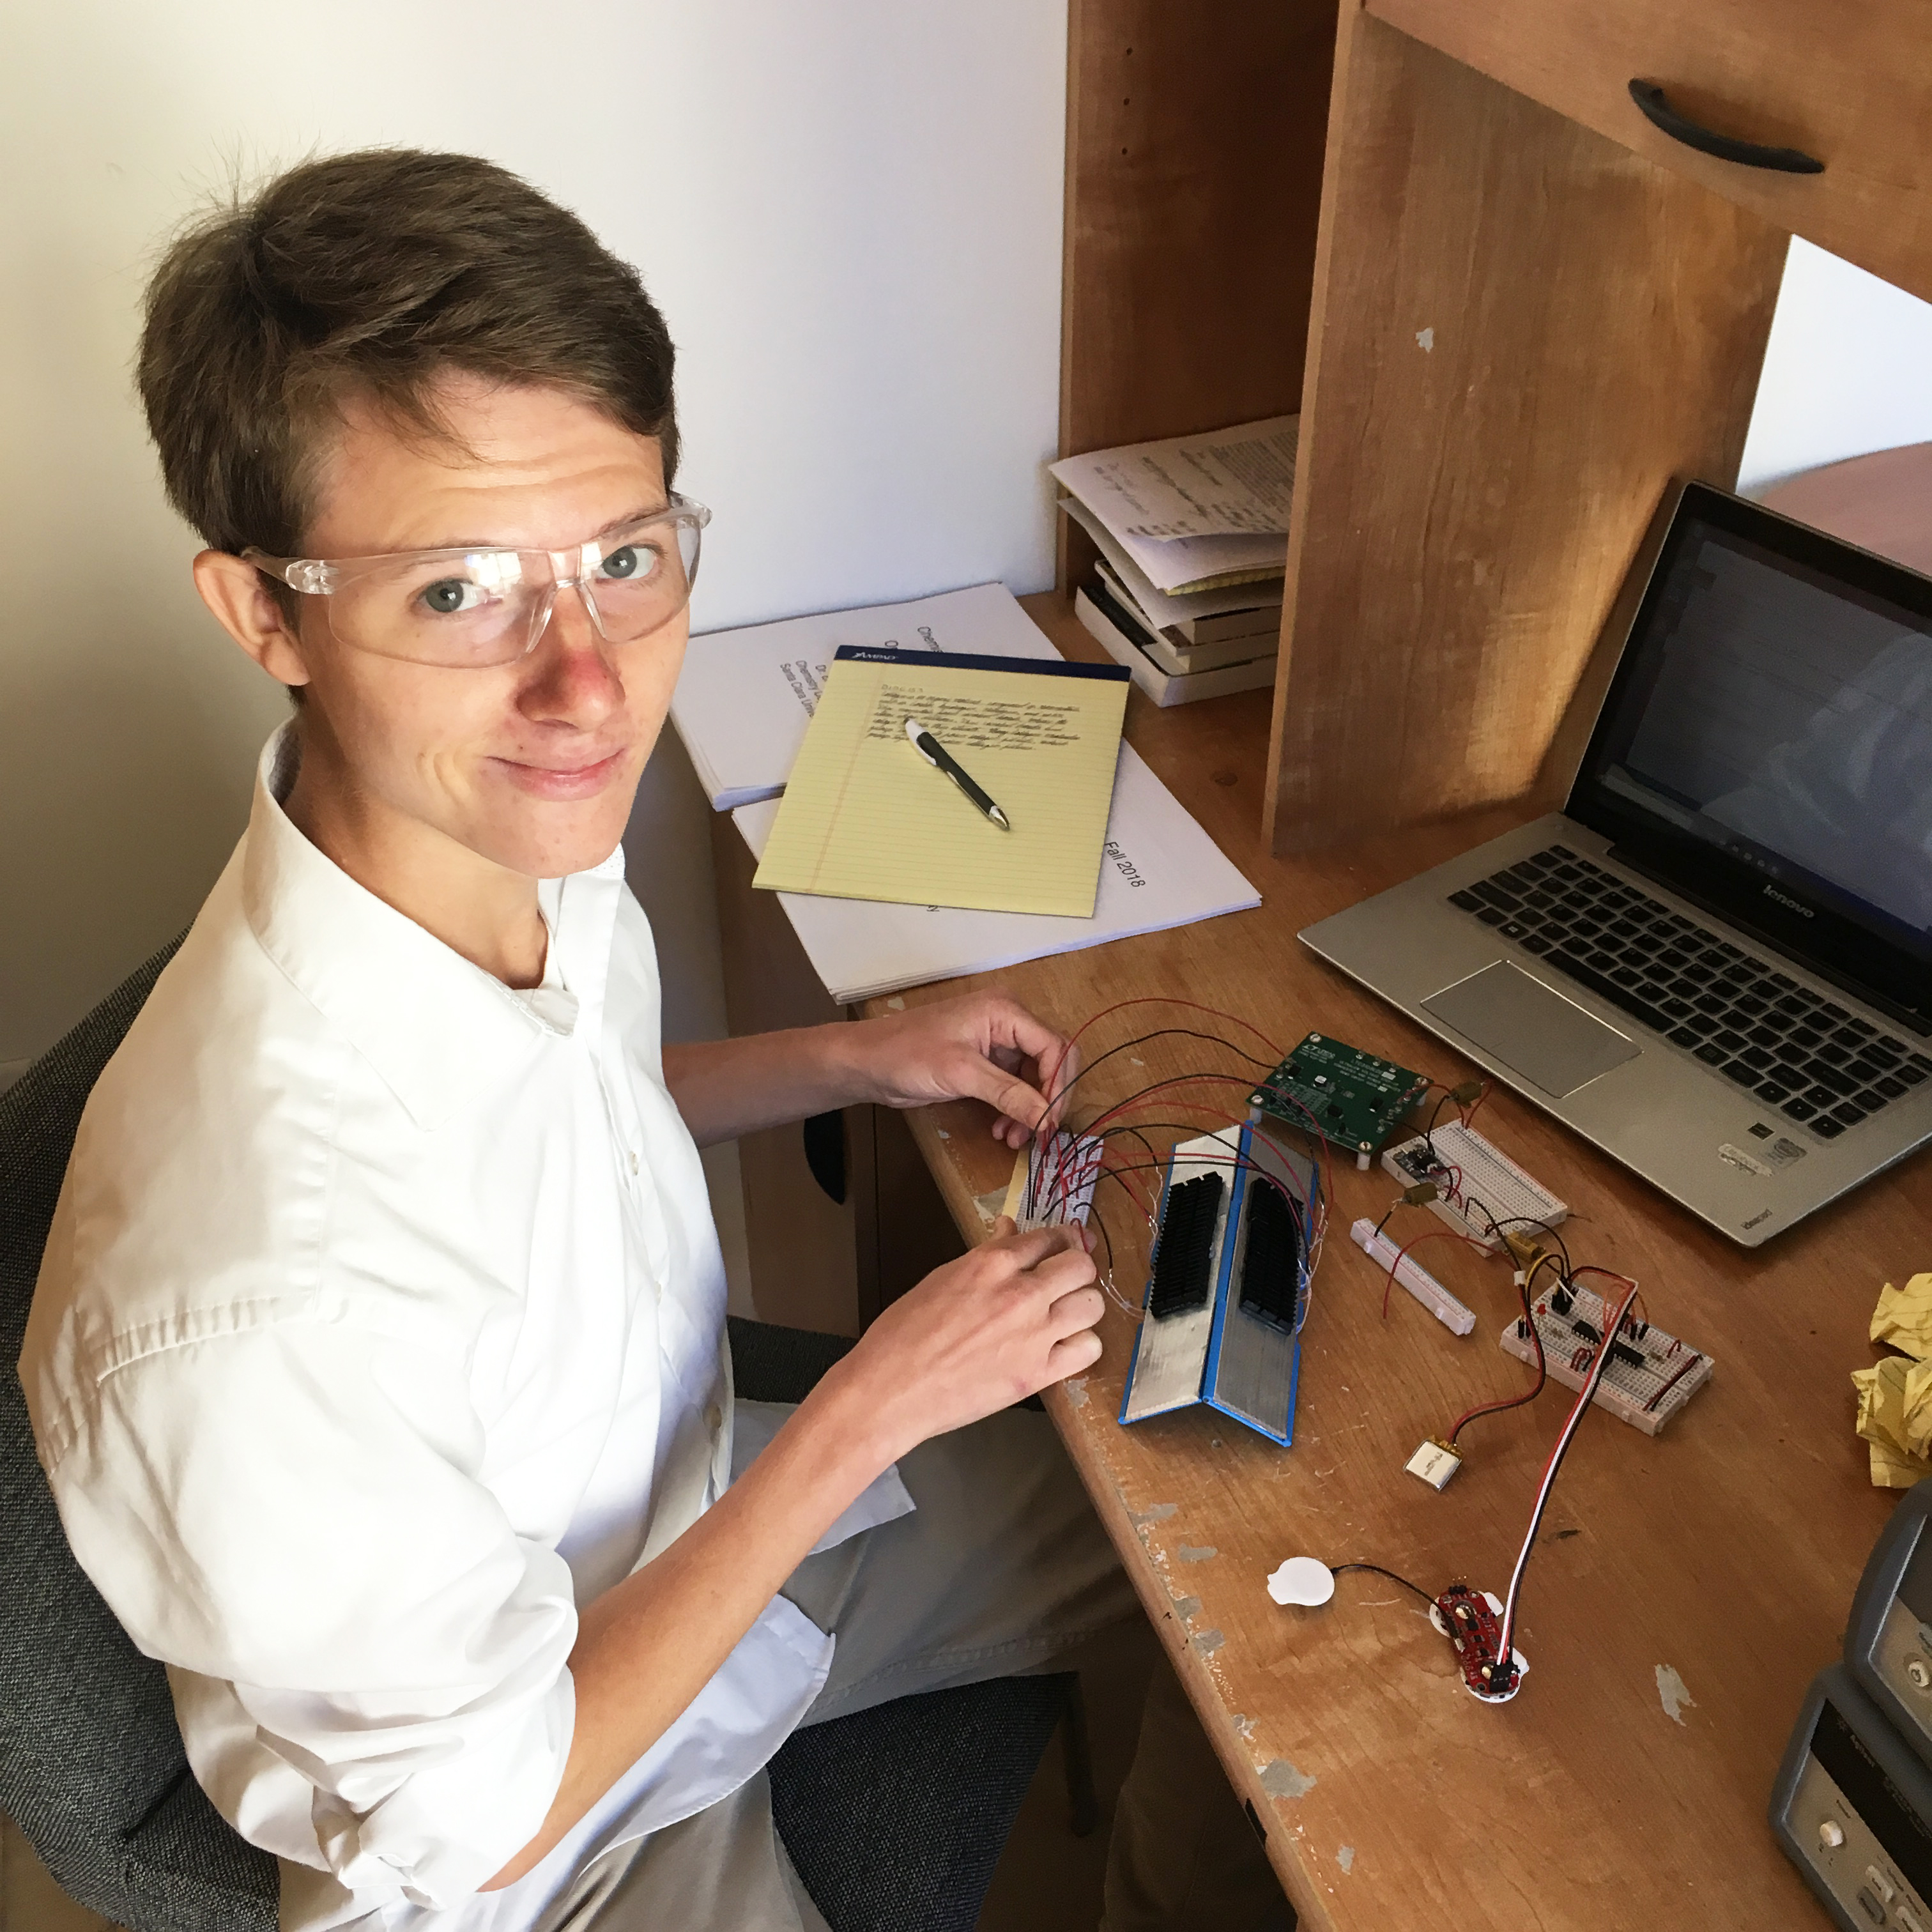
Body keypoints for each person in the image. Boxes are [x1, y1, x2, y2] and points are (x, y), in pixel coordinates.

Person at [21, 151, 1285, 1931]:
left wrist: (855, 1062)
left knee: (1220, 1556)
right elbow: (485, 1808)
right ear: (264, 614)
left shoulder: (499, 835)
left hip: (693, 1521)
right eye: (458, 590)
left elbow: (562, 1113)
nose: (589, 683)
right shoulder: (252, 1299)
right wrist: (868, 1410)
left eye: (623, 558)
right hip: (550, 1832)